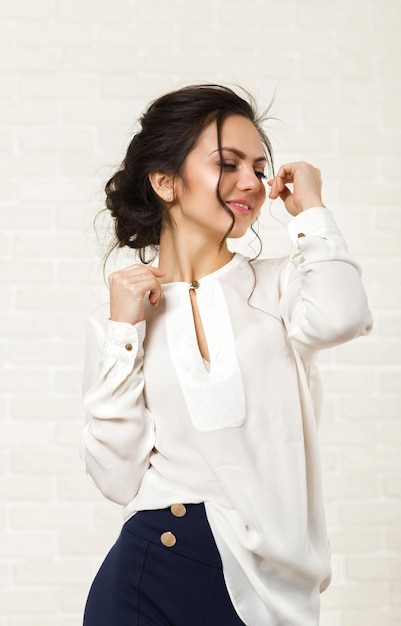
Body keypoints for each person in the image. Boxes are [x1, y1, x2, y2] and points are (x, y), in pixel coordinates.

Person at [80, 84, 373, 626]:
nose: (251, 183)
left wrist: (311, 210)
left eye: (259, 168)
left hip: (263, 590)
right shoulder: (119, 316)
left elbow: (344, 316)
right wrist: (124, 330)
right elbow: (115, 476)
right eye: (228, 163)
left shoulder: (282, 285)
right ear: (166, 181)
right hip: (148, 571)